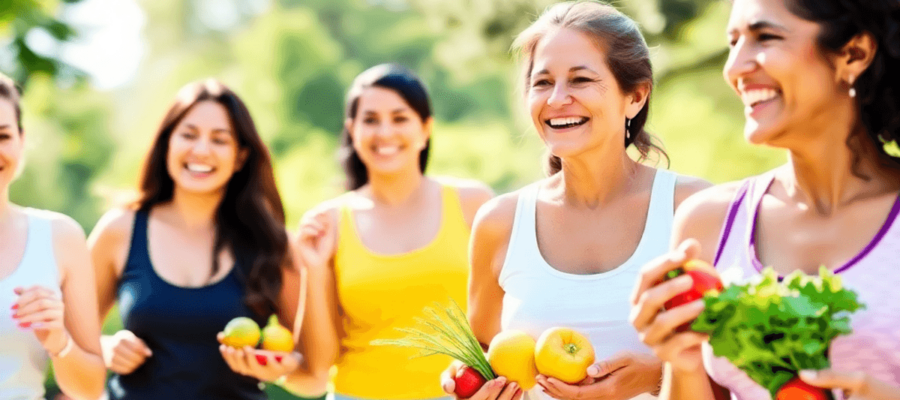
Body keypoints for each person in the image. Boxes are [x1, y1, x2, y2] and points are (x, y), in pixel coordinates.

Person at [629, 0, 900, 399]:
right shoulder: (709, 223)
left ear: (853, 54)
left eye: (765, 37)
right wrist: (681, 361)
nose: (734, 68)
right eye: (733, 42)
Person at [440, 2, 710, 400]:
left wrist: (653, 376)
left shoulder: (693, 210)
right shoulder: (500, 223)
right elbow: (480, 357)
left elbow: (741, 367)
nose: (557, 99)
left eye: (580, 80)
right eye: (542, 82)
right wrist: (464, 387)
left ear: (635, 96)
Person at [88, 79, 314, 399]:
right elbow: (70, 338)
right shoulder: (119, 230)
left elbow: (312, 378)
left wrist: (282, 369)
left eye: (220, 140)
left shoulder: (274, 245)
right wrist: (107, 347)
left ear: (240, 157)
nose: (201, 150)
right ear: (167, 143)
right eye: (189, 135)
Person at [294, 63, 495, 400]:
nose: (384, 132)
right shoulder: (327, 222)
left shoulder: (474, 204)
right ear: (352, 130)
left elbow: (504, 321)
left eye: (400, 118)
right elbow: (320, 362)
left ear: (426, 128)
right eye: (370, 120)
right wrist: (313, 268)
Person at [0, 73, 106, 399]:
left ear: (21, 138)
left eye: (2, 136)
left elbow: (89, 389)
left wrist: (59, 341)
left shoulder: (60, 237)